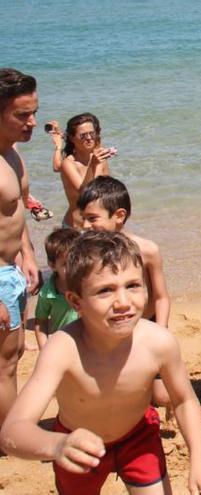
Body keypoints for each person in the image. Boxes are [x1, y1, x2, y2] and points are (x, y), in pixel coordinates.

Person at [0, 231, 201, 495]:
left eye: (133, 286)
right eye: (105, 291)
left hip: (139, 437)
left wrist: (200, 459)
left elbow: (185, 400)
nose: (123, 302)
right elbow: (14, 430)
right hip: (78, 445)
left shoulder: (159, 342)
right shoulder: (63, 349)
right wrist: (57, 445)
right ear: (76, 301)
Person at [0, 67, 40, 429]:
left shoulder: (12, 154)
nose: (31, 121)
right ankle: (8, 438)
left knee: (11, 357)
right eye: (22, 115)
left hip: (11, 270)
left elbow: (15, 212)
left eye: (34, 112)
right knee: (3, 363)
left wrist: (27, 254)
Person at [78, 176, 170, 328]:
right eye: (83, 218)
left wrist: (161, 330)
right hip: (107, 328)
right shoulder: (88, 252)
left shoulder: (147, 250)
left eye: (92, 218)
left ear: (119, 216)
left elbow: (161, 298)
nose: (85, 225)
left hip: (145, 323)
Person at [56, 113, 114, 228]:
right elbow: (86, 195)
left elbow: (106, 191)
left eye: (92, 133)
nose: (88, 138)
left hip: (98, 226)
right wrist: (94, 164)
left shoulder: (99, 158)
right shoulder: (68, 163)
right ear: (72, 138)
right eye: (83, 135)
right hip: (75, 228)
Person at [34, 228, 81, 349]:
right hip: (61, 345)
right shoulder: (48, 292)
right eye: (66, 264)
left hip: (89, 345)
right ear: (52, 265)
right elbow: (41, 322)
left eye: (77, 261)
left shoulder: (89, 286)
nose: (73, 267)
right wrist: (44, 349)